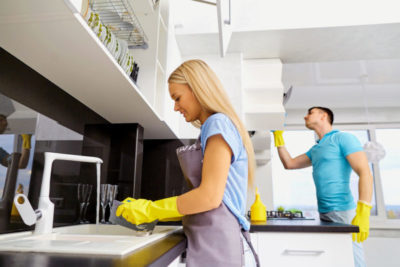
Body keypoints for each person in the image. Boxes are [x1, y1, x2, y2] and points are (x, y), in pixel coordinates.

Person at [116, 59, 259, 266]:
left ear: (197, 88)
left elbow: (209, 197)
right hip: (210, 239)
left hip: (217, 244)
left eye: (177, 97)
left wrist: (151, 210)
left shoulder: (217, 123)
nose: (175, 107)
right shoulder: (213, 127)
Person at [273, 106, 373, 267]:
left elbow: (365, 172)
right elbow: (289, 164)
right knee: (335, 260)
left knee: (353, 260)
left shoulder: (343, 138)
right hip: (325, 213)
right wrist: (279, 139)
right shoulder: (316, 149)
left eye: (310, 113)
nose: (305, 117)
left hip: (343, 212)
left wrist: (364, 210)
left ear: (323, 116)